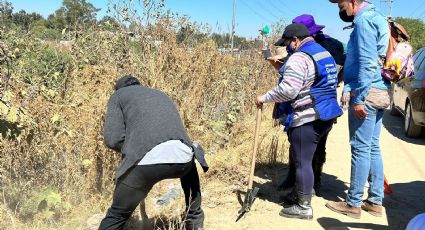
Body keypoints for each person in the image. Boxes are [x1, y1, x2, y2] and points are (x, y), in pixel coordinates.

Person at [256, 23, 343, 219]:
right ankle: (304, 192)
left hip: (308, 116)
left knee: (302, 161)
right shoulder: (323, 53)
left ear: (295, 40)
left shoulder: (299, 58)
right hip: (325, 114)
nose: (286, 47)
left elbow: (289, 90)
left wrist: (264, 97)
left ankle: (303, 207)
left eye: (287, 43)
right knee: (309, 158)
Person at [99, 75, 208, 230]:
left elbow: (112, 139)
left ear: (118, 88)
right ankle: (194, 220)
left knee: (116, 215)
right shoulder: (159, 94)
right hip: (182, 159)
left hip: (145, 167)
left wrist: (130, 151)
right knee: (189, 165)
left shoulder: (118, 96)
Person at [325, 0, 390, 219]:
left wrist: (359, 98)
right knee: (372, 147)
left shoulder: (363, 21)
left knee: (360, 148)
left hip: (367, 92)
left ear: (353, 1)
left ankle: (353, 203)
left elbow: (368, 62)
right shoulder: (378, 17)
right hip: (380, 90)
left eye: (342, 6)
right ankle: (375, 201)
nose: (342, 11)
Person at [277, 14, 346, 194]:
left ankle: (310, 183)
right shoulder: (316, 46)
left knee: (310, 144)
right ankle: (300, 181)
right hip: (322, 104)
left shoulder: (327, 47)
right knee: (300, 143)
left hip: (314, 104)